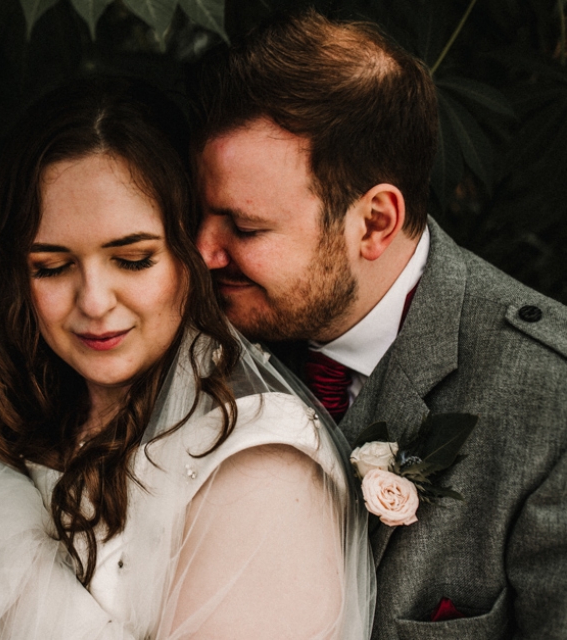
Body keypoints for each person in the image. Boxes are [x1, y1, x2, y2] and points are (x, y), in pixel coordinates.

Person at [0, 77, 375, 639]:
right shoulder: (30, 428)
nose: (93, 301)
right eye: (52, 266)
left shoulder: (259, 466)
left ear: (194, 253)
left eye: (133, 260)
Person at [190, 9, 567, 639]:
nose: (203, 251)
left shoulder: (548, 403)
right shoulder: (188, 337)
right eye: (200, 213)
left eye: (247, 227)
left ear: (374, 223)